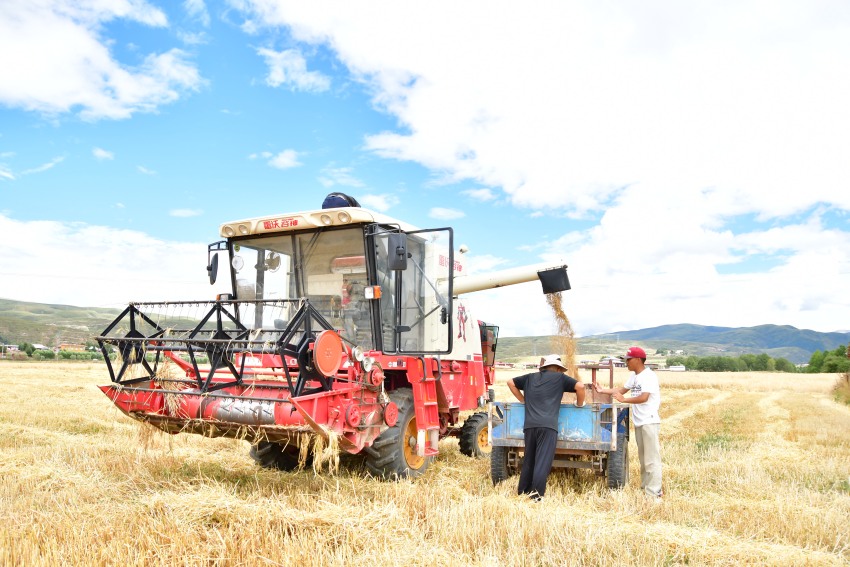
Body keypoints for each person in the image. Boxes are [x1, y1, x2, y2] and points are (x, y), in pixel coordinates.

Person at [507, 354, 586, 500]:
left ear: (544, 367)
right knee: (542, 462)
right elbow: (580, 387)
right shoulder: (560, 378)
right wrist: (580, 404)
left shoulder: (530, 377)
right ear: (557, 368)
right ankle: (536, 496)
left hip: (530, 426)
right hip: (548, 426)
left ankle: (522, 492)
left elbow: (510, 382)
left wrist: (523, 400)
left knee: (529, 459)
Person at [594, 346, 662, 499]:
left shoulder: (648, 376)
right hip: (640, 422)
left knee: (652, 459)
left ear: (638, 360)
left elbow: (644, 397)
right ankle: (646, 488)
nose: (626, 362)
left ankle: (654, 493)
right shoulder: (634, 376)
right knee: (644, 458)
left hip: (649, 421)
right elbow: (621, 390)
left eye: (628, 359)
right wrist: (602, 391)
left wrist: (625, 400)